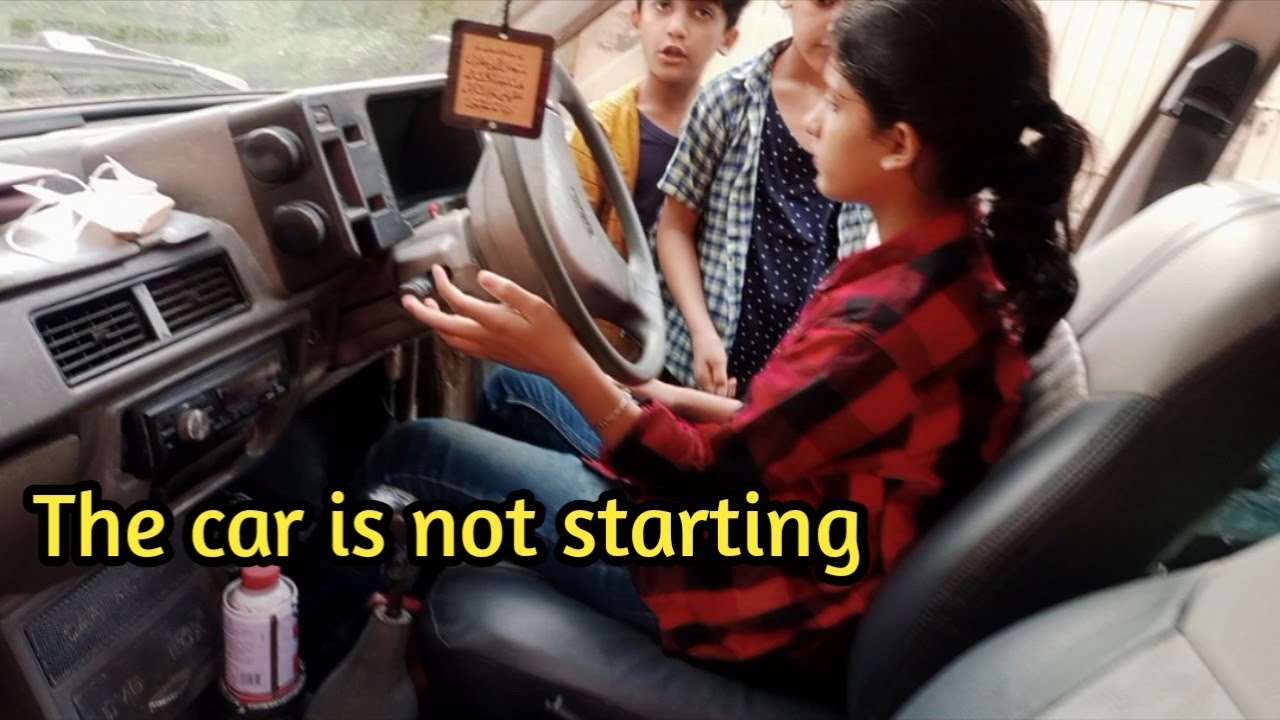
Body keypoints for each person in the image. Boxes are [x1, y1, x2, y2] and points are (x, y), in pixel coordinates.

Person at [379, 0, 1087, 687]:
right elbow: (802, 432)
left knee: (420, 451)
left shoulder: (886, 321)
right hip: (783, 526)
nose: (814, 120)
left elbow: (705, 478)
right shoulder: (950, 268)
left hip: (744, 589)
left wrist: (564, 355)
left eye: (836, 103)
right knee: (517, 389)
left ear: (899, 144)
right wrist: (653, 391)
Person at [478, 0, 748, 457]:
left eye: (701, 13)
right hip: (613, 346)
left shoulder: (732, 135)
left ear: (729, 37)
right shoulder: (600, 128)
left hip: (695, 357)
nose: (676, 28)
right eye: (662, 6)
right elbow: (565, 247)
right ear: (637, 17)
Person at [656, 0, 875, 399]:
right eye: (824, 1)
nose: (837, 22)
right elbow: (673, 228)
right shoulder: (728, 100)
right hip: (699, 360)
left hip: (792, 378)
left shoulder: (870, 123)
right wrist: (702, 332)